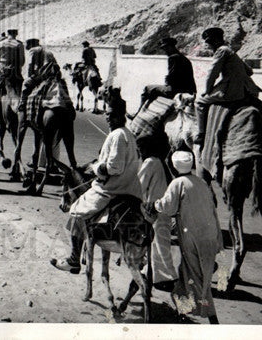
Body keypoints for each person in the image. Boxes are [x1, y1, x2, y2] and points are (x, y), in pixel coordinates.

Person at [51, 95, 142, 274]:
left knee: (77, 209)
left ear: (119, 115)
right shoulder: (129, 134)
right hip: (131, 186)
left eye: (111, 115)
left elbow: (114, 167)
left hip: (113, 188)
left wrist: (96, 168)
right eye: (107, 114)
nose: (108, 117)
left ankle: (74, 260)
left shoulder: (116, 135)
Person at [149, 150, 223, 323]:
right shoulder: (201, 182)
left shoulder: (178, 183)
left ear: (174, 168)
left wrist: (153, 205)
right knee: (188, 278)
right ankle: (182, 314)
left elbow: (167, 207)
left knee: (197, 282)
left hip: (193, 241)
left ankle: (213, 320)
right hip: (210, 237)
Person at [194, 27, 262, 146]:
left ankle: (201, 134)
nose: (209, 47)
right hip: (247, 89)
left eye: (209, 44)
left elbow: (212, 74)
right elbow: (250, 71)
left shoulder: (221, 51)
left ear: (214, 41)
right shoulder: (230, 51)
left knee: (200, 103)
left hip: (231, 90)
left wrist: (207, 91)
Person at [137, 135, 178, 291]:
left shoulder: (150, 163)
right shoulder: (160, 163)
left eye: (141, 149)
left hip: (153, 209)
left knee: (159, 244)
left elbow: (139, 186)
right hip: (162, 209)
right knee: (161, 244)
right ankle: (158, 274)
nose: (140, 152)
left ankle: (165, 278)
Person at [140, 37, 196, 111]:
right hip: (190, 89)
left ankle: (139, 113)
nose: (165, 51)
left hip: (176, 90)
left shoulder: (173, 58)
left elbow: (171, 76)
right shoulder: (183, 58)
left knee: (147, 89)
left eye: (165, 48)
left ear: (170, 47)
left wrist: (167, 81)